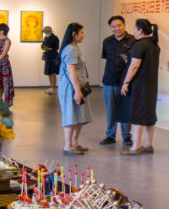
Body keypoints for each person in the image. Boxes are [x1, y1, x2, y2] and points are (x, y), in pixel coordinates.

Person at [120, 19, 160, 155]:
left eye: (135, 29)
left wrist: (126, 83)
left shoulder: (139, 45)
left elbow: (134, 66)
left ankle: (135, 147)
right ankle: (148, 145)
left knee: (137, 115)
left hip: (139, 86)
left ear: (140, 30)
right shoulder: (154, 45)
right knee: (149, 115)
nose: (133, 31)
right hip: (151, 85)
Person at [99, 16, 134, 147]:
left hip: (127, 81)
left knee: (126, 109)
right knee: (111, 110)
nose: (116, 28)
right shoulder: (107, 41)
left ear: (124, 25)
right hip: (110, 80)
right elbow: (106, 58)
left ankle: (127, 136)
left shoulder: (133, 40)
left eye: (119, 25)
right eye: (113, 26)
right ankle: (110, 135)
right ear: (110, 28)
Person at [59, 23, 91, 155]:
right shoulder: (70, 49)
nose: (83, 35)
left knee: (80, 115)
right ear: (74, 34)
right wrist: (77, 91)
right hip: (71, 87)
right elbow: (71, 71)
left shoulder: (75, 47)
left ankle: (75, 143)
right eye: (81, 32)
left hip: (79, 86)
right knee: (70, 115)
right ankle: (68, 146)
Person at [42, 26, 60, 95]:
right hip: (48, 56)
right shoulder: (45, 38)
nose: (44, 32)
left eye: (45, 31)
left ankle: (53, 88)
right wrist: (43, 47)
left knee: (53, 73)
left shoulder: (55, 38)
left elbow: (56, 47)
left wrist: (48, 48)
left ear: (48, 31)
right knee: (49, 72)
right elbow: (43, 45)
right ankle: (51, 87)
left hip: (53, 56)